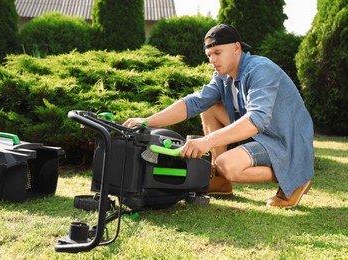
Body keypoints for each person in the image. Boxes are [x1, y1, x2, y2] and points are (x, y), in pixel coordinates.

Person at [123, 24, 314, 208]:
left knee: (228, 165)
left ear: (236, 48)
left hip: (284, 141)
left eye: (217, 53)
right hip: (261, 135)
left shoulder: (260, 70)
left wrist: (207, 141)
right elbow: (193, 102)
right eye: (209, 55)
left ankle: (296, 176)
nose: (212, 60)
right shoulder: (223, 77)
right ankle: (219, 181)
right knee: (210, 107)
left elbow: (257, 119)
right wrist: (148, 121)